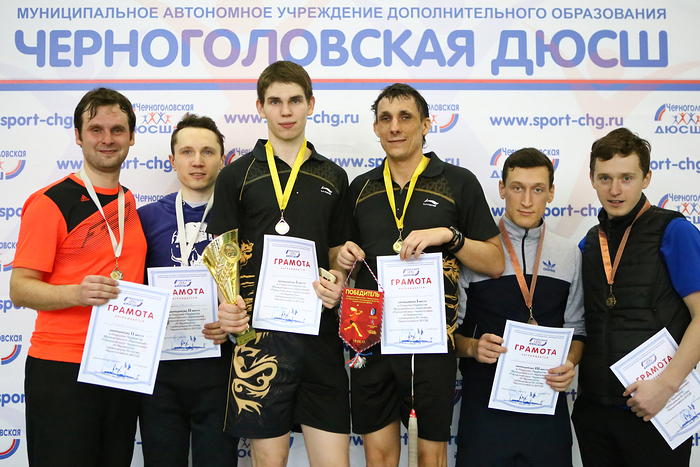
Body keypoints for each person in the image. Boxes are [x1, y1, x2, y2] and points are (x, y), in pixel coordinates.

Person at [337, 83, 505, 467]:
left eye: (405, 117)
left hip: (429, 344)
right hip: (370, 340)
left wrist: (449, 236)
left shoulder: (458, 182)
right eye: (385, 119)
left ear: (426, 124)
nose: (395, 127)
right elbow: (339, 258)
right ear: (376, 128)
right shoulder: (360, 187)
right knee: (379, 458)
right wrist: (342, 256)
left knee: (431, 457)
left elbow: (495, 261)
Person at [206, 61, 351, 467]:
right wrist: (227, 304)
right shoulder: (236, 175)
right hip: (259, 343)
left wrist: (338, 279)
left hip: (320, 337)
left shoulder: (334, 176)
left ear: (310, 104)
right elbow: (222, 254)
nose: (286, 111)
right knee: (270, 461)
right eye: (275, 102)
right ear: (260, 107)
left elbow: (336, 252)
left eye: (294, 101)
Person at [10, 88, 146, 466]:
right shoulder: (50, 201)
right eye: (96, 129)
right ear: (78, 135)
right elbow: (19, 289)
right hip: (62, 368)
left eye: (117, 130)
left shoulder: (129, 202)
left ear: (132, 137)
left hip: (120, 367)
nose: (107, 139)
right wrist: (76, 293)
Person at [572, 127, 700, 466]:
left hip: (656, 411)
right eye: (605, 178)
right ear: (592, 179)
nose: (615, 190)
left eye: (626, 178)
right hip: (595, 412)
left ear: (646, 178)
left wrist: (666, 386)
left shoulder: (674, 231)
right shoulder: (589, 243)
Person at [454, 148, 586, 467]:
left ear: (550, 193)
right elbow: (448, 335)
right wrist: (472, 347)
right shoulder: (476, 252)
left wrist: (569, 362)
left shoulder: (569, 254)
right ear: (502, 189)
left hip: (546, 409)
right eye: (517, 188)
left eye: (537, 189)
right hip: (484, 410)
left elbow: (578, 330)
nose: (527, 201)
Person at [137, 114, 240, 466]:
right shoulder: (146, 218)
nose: (197, 161)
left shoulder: (239, 217)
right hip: (160, 374)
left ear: (223, 160)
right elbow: (130, 289)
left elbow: (252, 286)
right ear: (173, 160)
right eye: (187, 152)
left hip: (220, 368)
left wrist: (234, 322)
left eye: (208, 152)